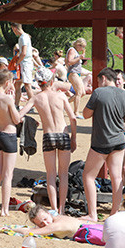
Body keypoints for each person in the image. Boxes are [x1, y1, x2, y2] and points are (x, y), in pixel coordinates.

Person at [20, 67, 77, 215]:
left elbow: (19, 116)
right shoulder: (61, 96)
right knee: (63, 174)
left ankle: (53, 208)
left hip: (48, 135)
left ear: (39, 83)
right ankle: (62, 208)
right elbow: (73, 118)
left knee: (51, 175)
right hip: (63, 134)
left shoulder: (36, 98)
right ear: (52, 80)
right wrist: (74, 138)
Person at [81, 68, 125, 221]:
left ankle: (92, 214)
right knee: (116, 178)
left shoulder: (99, 93)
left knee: (88, 176)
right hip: (119, 140)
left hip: (101, 141)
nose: (98, 84)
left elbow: (85, 114)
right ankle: (114, 213)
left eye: (98, 81)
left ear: (104, 78)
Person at [0, 69, 23, 217]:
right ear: (8, 82)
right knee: (8, 175)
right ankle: (5, 210)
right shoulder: (7, 99)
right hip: (9, 135)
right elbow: (16, 119)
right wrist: (13, 101)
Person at [11, 23, 35, 107]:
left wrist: (17, 62)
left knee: (27, 85)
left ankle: (32, 105)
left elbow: (24, 53)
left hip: (25, 63)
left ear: (14, 28)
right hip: (23, 62)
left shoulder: (23, 37)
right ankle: (16, 104)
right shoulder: (25, 37)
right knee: (17, 84)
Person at [65, 38, 88, 117]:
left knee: (83, 93)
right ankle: (76, 112)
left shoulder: (76, 51)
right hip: (73, 73)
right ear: (78, 45)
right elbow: (69, 62)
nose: (83, 49)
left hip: (77, 73)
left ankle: (65, 103)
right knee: (78, 92)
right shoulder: (72, 50)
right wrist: (79, 58)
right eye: (82, 47)